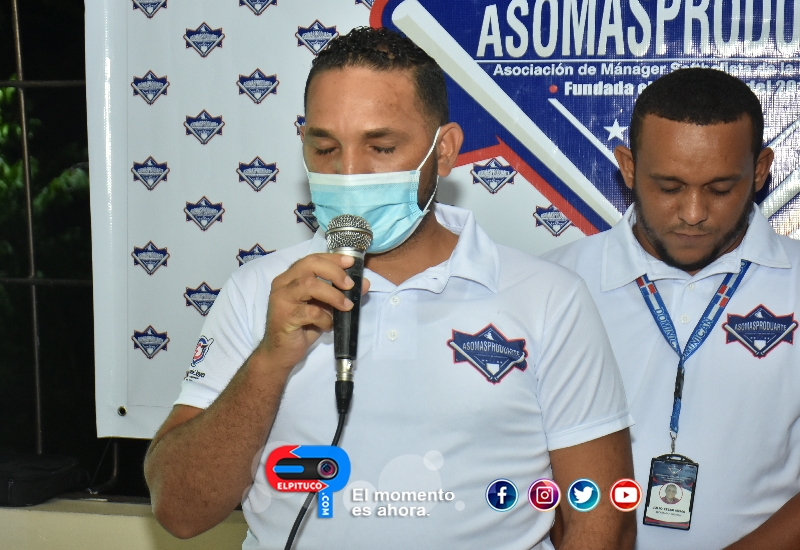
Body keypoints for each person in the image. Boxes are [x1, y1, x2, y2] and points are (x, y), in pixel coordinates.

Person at [144, 27, 636, 549]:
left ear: (443, 151)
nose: (349, 174)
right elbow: (179, 510)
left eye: (380, 147)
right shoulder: (259, 291)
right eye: (325, 147)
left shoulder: (548, 299)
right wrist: (269, 362)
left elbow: (601, 519)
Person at [544, 68, 800, 549]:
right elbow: (515, 457)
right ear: (628, 167)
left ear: (761, 170)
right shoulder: (551, 283)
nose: (693, 213)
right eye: (669, 187)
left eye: (720, 189)